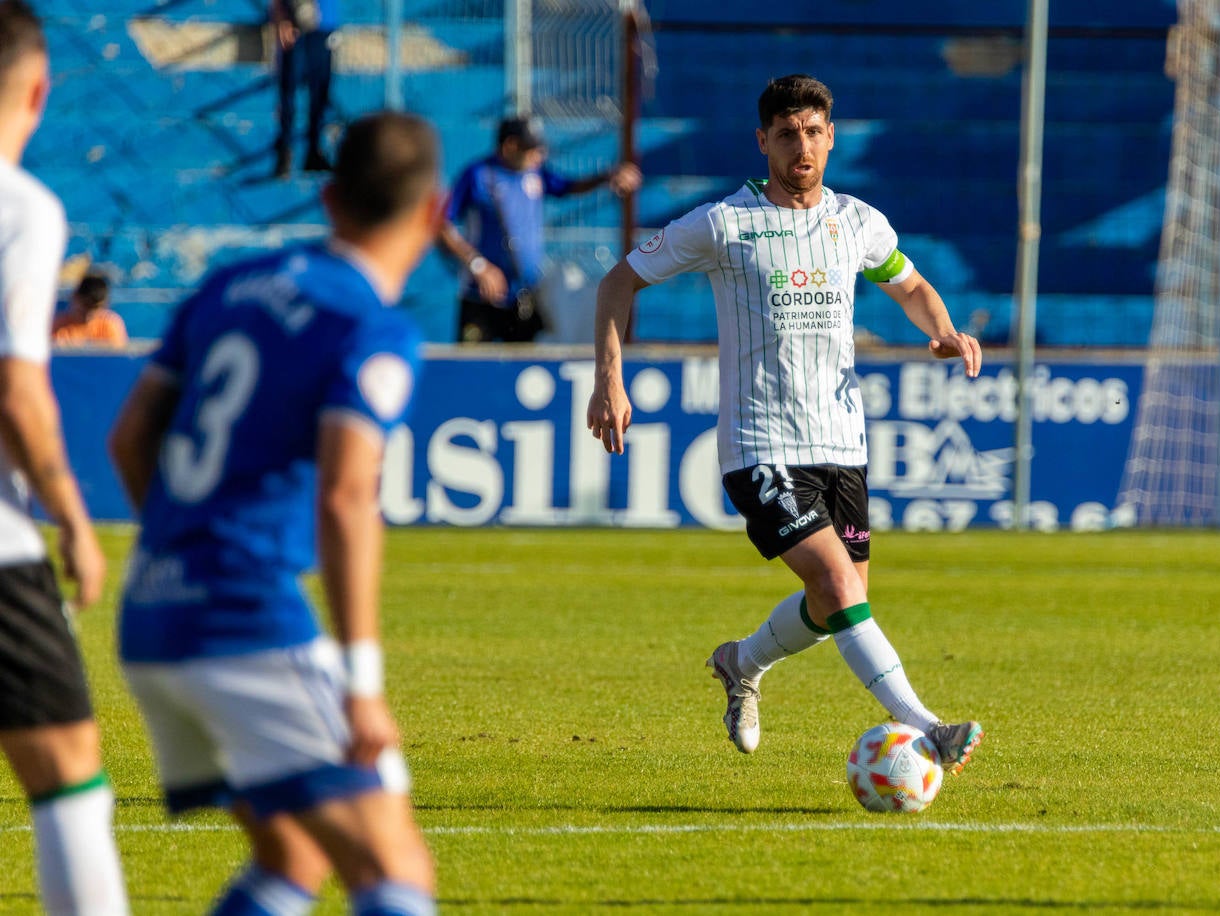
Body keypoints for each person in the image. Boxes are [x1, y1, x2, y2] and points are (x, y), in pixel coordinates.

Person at [586, 74, 986, 774]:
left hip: (842, 441)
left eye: (814, 132)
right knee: (836, 587)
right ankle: (926, 726)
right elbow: (619, 281)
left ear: (830, 138)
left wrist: (945, 330)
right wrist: (609, 381)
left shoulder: (857, 222)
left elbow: (910, 284)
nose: (802, 146)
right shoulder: (722, 224)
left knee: (840, 599)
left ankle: (739, 663)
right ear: (763, 140)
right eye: (787, 134)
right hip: (760, 443)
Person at [108, 111, 439, 915]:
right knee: (393, 871)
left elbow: (128, 440)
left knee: (290, 860)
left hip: (151, 618)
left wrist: (185, 551)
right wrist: (362, 681)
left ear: (327, 200)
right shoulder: (371, 327)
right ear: (433, 214)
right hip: (244, 624)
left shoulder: (225, 287)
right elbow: (347, 492)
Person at [0, 2, 129, 912]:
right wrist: (75, 520)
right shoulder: (23, 209)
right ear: (40, 90)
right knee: (67, 770)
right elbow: (17, 391)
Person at [437, 114, 643, 343]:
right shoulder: (478, 176)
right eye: (532, 149)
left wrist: (606, 177)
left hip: (525, 297)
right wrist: (478, 265)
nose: (539, 156)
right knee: (472, 370)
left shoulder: (535, 173)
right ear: (510, 146)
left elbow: (567, 186)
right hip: (481, 298)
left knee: (524, 368)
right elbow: (442, 224)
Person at [270, 0, 338, 177]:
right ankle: (285, 153)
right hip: (298, 25)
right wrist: (282, 17)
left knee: (320, 94)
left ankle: (314, 152)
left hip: (324, 26)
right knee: (289, 92)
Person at [52, 270, 129, 347]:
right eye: (85, 305)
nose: (89, 313)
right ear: (75, 298)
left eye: (95, 307)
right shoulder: (56, 326)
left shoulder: (110, 324)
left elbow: (117, 355)